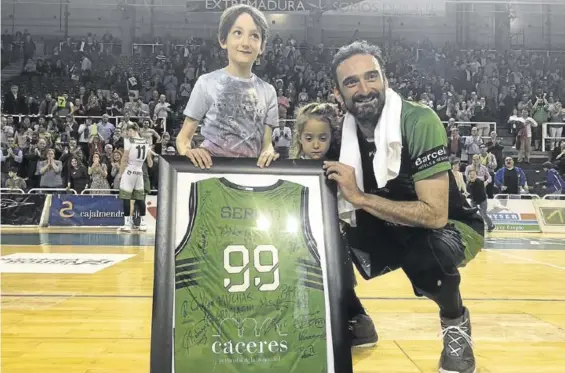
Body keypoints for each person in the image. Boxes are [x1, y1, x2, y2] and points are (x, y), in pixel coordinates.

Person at [323, 41, 484, 373]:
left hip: (452, 226)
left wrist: (362, 198)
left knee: (427, 258)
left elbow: (436, 214)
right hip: (390, 224)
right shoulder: (344, 135)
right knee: (323, 235)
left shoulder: (418, 120)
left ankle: (455, 325)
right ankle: (356, 319)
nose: (364, 88)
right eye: (351, 82)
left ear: (385, 79)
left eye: (371, 77)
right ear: (338, 94)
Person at [290, 102, 378, 348]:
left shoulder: (336, 170)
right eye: (309, 138)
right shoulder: (291, 168)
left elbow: (347, 208)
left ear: (332, 138)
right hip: (303, 239)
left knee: (339, 282)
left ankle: (360, 325)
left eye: (322, 138)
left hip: (332, 239)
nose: (316, 144)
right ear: (300, 138)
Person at [175, 4, 279, 169]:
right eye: (238, 33)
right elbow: (183, 139)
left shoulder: (268, 91)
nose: (245, 42)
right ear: (223, 40)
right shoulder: (206, 82)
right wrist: (189, 152)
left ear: (262, 46)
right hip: (210, 172)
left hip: (249, 175)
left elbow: (266, 144)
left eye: (254, 36)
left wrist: (269, 153)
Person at [118, 123, 152, 232]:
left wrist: (121, 173)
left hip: (130, 170)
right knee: (140, 198)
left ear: (132, 130)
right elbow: (149, 162)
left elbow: (124, 158)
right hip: (139, 171)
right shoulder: (146, 142)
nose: (126, 133)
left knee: (126, 197)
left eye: (127, 131)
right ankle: (143, 223)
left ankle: (127, 224)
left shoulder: (129, 141)